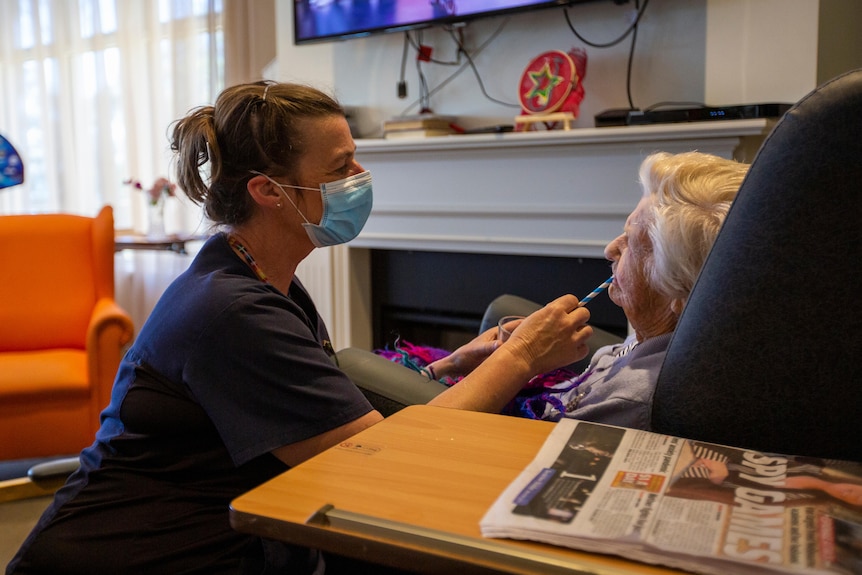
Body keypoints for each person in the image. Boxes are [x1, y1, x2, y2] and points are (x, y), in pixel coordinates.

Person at [6, 81, 593, 575]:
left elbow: (319, 413)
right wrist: (520, 359)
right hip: (134, 559)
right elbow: (382, 454)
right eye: (341, 168)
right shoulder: (234, 310)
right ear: (268, 192)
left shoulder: (255, 276)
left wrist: (451, 365)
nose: (360, 176)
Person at [417, 151, 749, 428]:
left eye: (631, 242)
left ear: (678, 291)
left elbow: (428, 436)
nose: (610, 249)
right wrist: (454, 363)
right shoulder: (675, 339)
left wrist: (522, 355)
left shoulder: (634, 398)